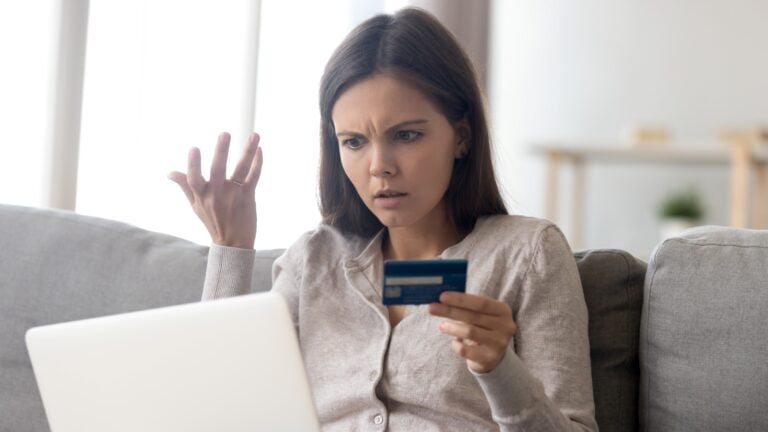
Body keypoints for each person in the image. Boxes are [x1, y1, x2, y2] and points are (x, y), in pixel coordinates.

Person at [168, 7, 597, 432]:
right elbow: (218, 407)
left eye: (406, 135)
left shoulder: (528, 254)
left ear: (461, 136)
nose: (380, 167)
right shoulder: (314, 260)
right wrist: (231, 245)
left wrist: (500, 368)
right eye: (353, 141)